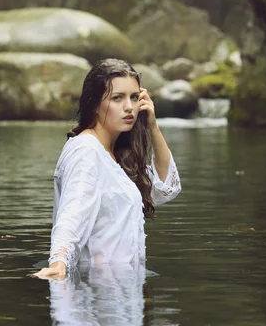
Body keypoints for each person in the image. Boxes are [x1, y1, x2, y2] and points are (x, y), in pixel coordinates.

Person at [32, 58, 181, 280]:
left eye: (133, 97)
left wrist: (153, 127)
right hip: (97, 291)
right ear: (93, 104)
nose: (129, 107)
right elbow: (73, 213)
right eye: (117, 98)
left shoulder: (115, 154)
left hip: (122, 289)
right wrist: (58, 262)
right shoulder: (87, 152)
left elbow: (166, 187)